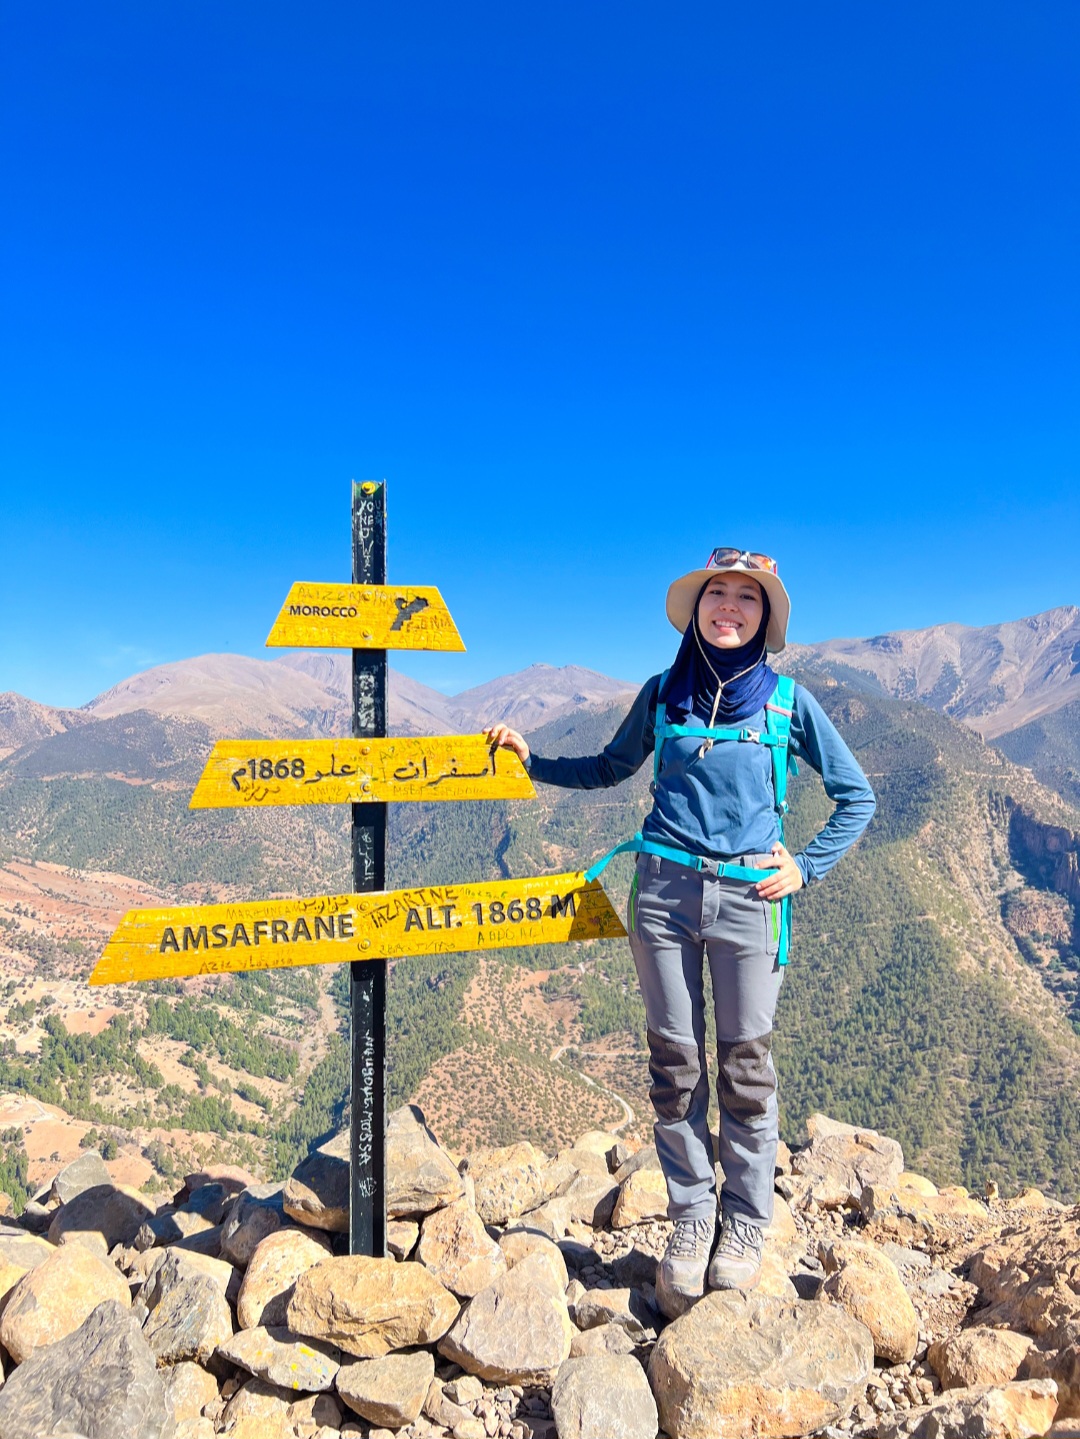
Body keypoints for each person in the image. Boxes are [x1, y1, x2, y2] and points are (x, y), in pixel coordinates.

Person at [484, 547, 876, 1320]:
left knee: (746, 1065)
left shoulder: (787, 703)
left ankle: (747, 1221)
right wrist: (533, 761)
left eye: (747, 597)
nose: (729, 606)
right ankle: (694, 1215)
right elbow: (609, 766)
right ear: (696, 606)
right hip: (663, 895)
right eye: (716, 592)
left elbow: (855, 796)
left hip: (750, 900)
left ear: (765, 616)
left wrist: (805, 866)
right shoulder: (664, 692)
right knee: (675, 1062)